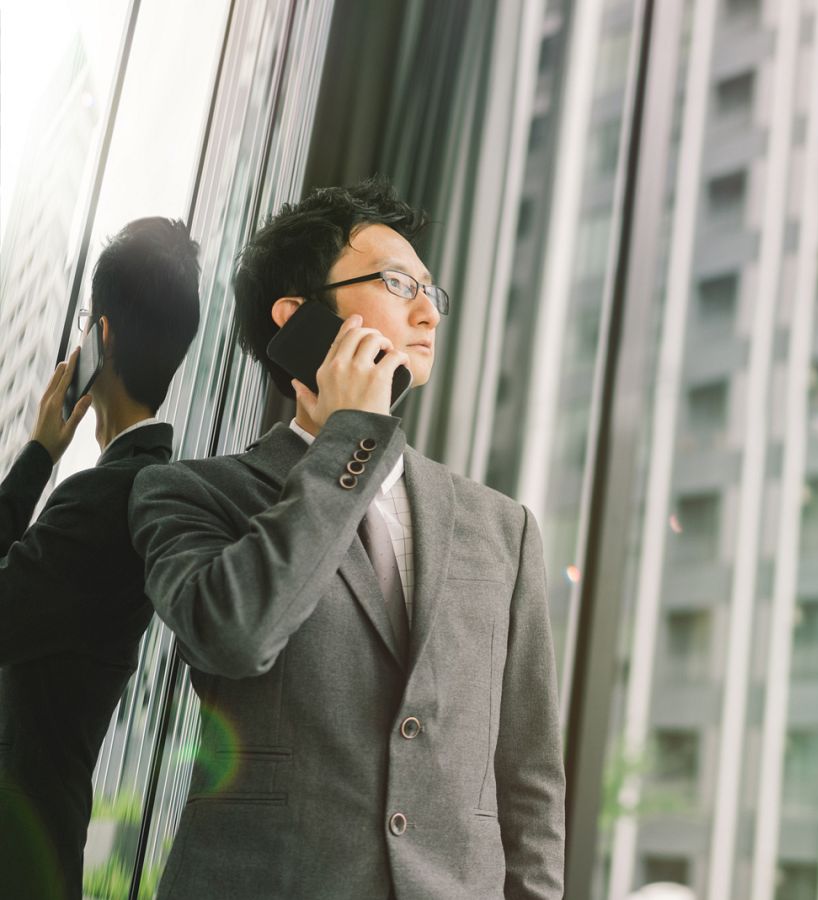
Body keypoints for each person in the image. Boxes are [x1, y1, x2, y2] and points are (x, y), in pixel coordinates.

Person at [129, 177, 563, 899]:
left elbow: (530, 779)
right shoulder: (189, 494)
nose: (428, 311)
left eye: (431, 291)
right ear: (297, 317)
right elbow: (236, 634)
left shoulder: (502, 528)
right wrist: (352, 438)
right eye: (397, 284)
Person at [0, 217, 201, 899]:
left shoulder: (106, 498)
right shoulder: (145, 483)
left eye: (87, 322)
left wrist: (36, 458)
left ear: (104, 334)